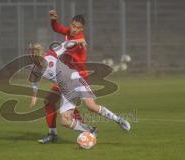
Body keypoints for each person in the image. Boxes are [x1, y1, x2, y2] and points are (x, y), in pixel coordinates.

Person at [28, 40, 131, 143]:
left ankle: (118, 120)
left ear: (41, 54)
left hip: (76, 80)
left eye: (36, 55)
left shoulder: (51, 54)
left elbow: (65, 45)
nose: (34, 58)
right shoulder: (35, 69)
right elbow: (34, 81)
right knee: (64, 121)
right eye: (32, 56)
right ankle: (90, 130)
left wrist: (78, 41)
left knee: (91, 106)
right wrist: (34, 96)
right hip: (67, 90)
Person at [38, 10, 89, 144]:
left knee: (65, 108)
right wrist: (54, 20)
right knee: (50, 102)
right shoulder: (69, 33)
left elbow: (78, 59)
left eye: (78, 28)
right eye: (73, 26)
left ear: (82, 29)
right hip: (64, 75)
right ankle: (53, 134)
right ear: (71, 24)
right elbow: (57, 28)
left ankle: (87, 130)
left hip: (74, 77)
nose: (75, 29)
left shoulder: (80, 41)